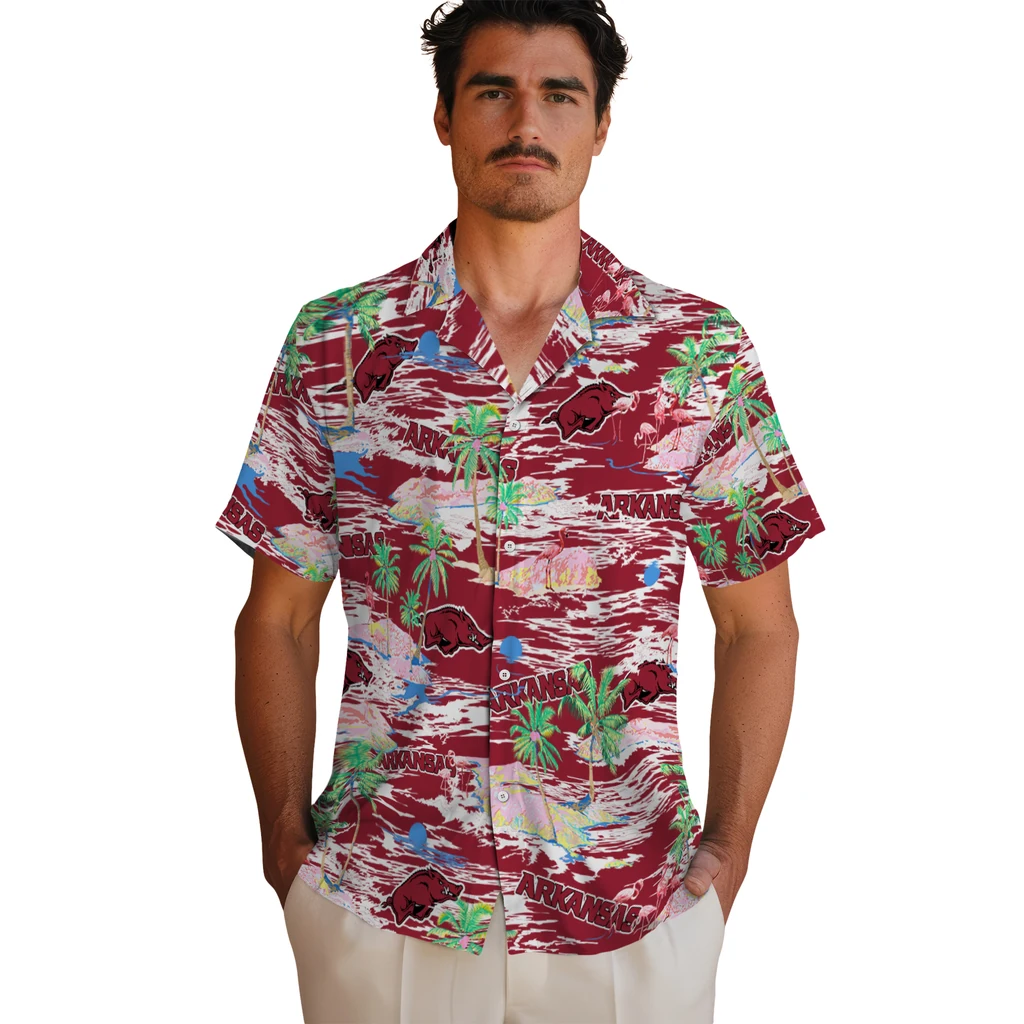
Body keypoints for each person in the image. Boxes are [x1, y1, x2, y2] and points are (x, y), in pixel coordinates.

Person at [213, 2, 826, 1021]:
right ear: (445, 116)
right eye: (493, 91)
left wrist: (730, 852)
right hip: (384, 901)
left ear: (601, 124)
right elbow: (275, 617)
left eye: (560, 94)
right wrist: (286, 846)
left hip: (629, 907)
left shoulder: (695, 353)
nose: (526, 121)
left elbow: (758, 625)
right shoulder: (337, 344)